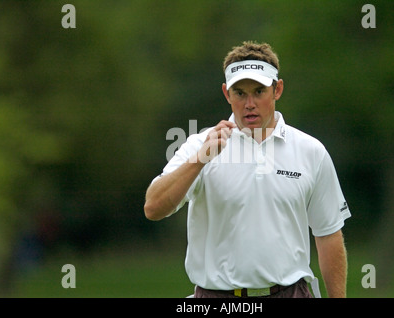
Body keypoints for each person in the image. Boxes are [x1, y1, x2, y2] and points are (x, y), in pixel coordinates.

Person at [144, 41, 351, 298]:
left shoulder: (311, 151)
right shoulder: (200, 145)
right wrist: (199, 160)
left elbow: (328, 233)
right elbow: (153, 207)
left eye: (259, 91)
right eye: (240, 93)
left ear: (278, 90)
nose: (249, 103)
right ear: (226, 93)